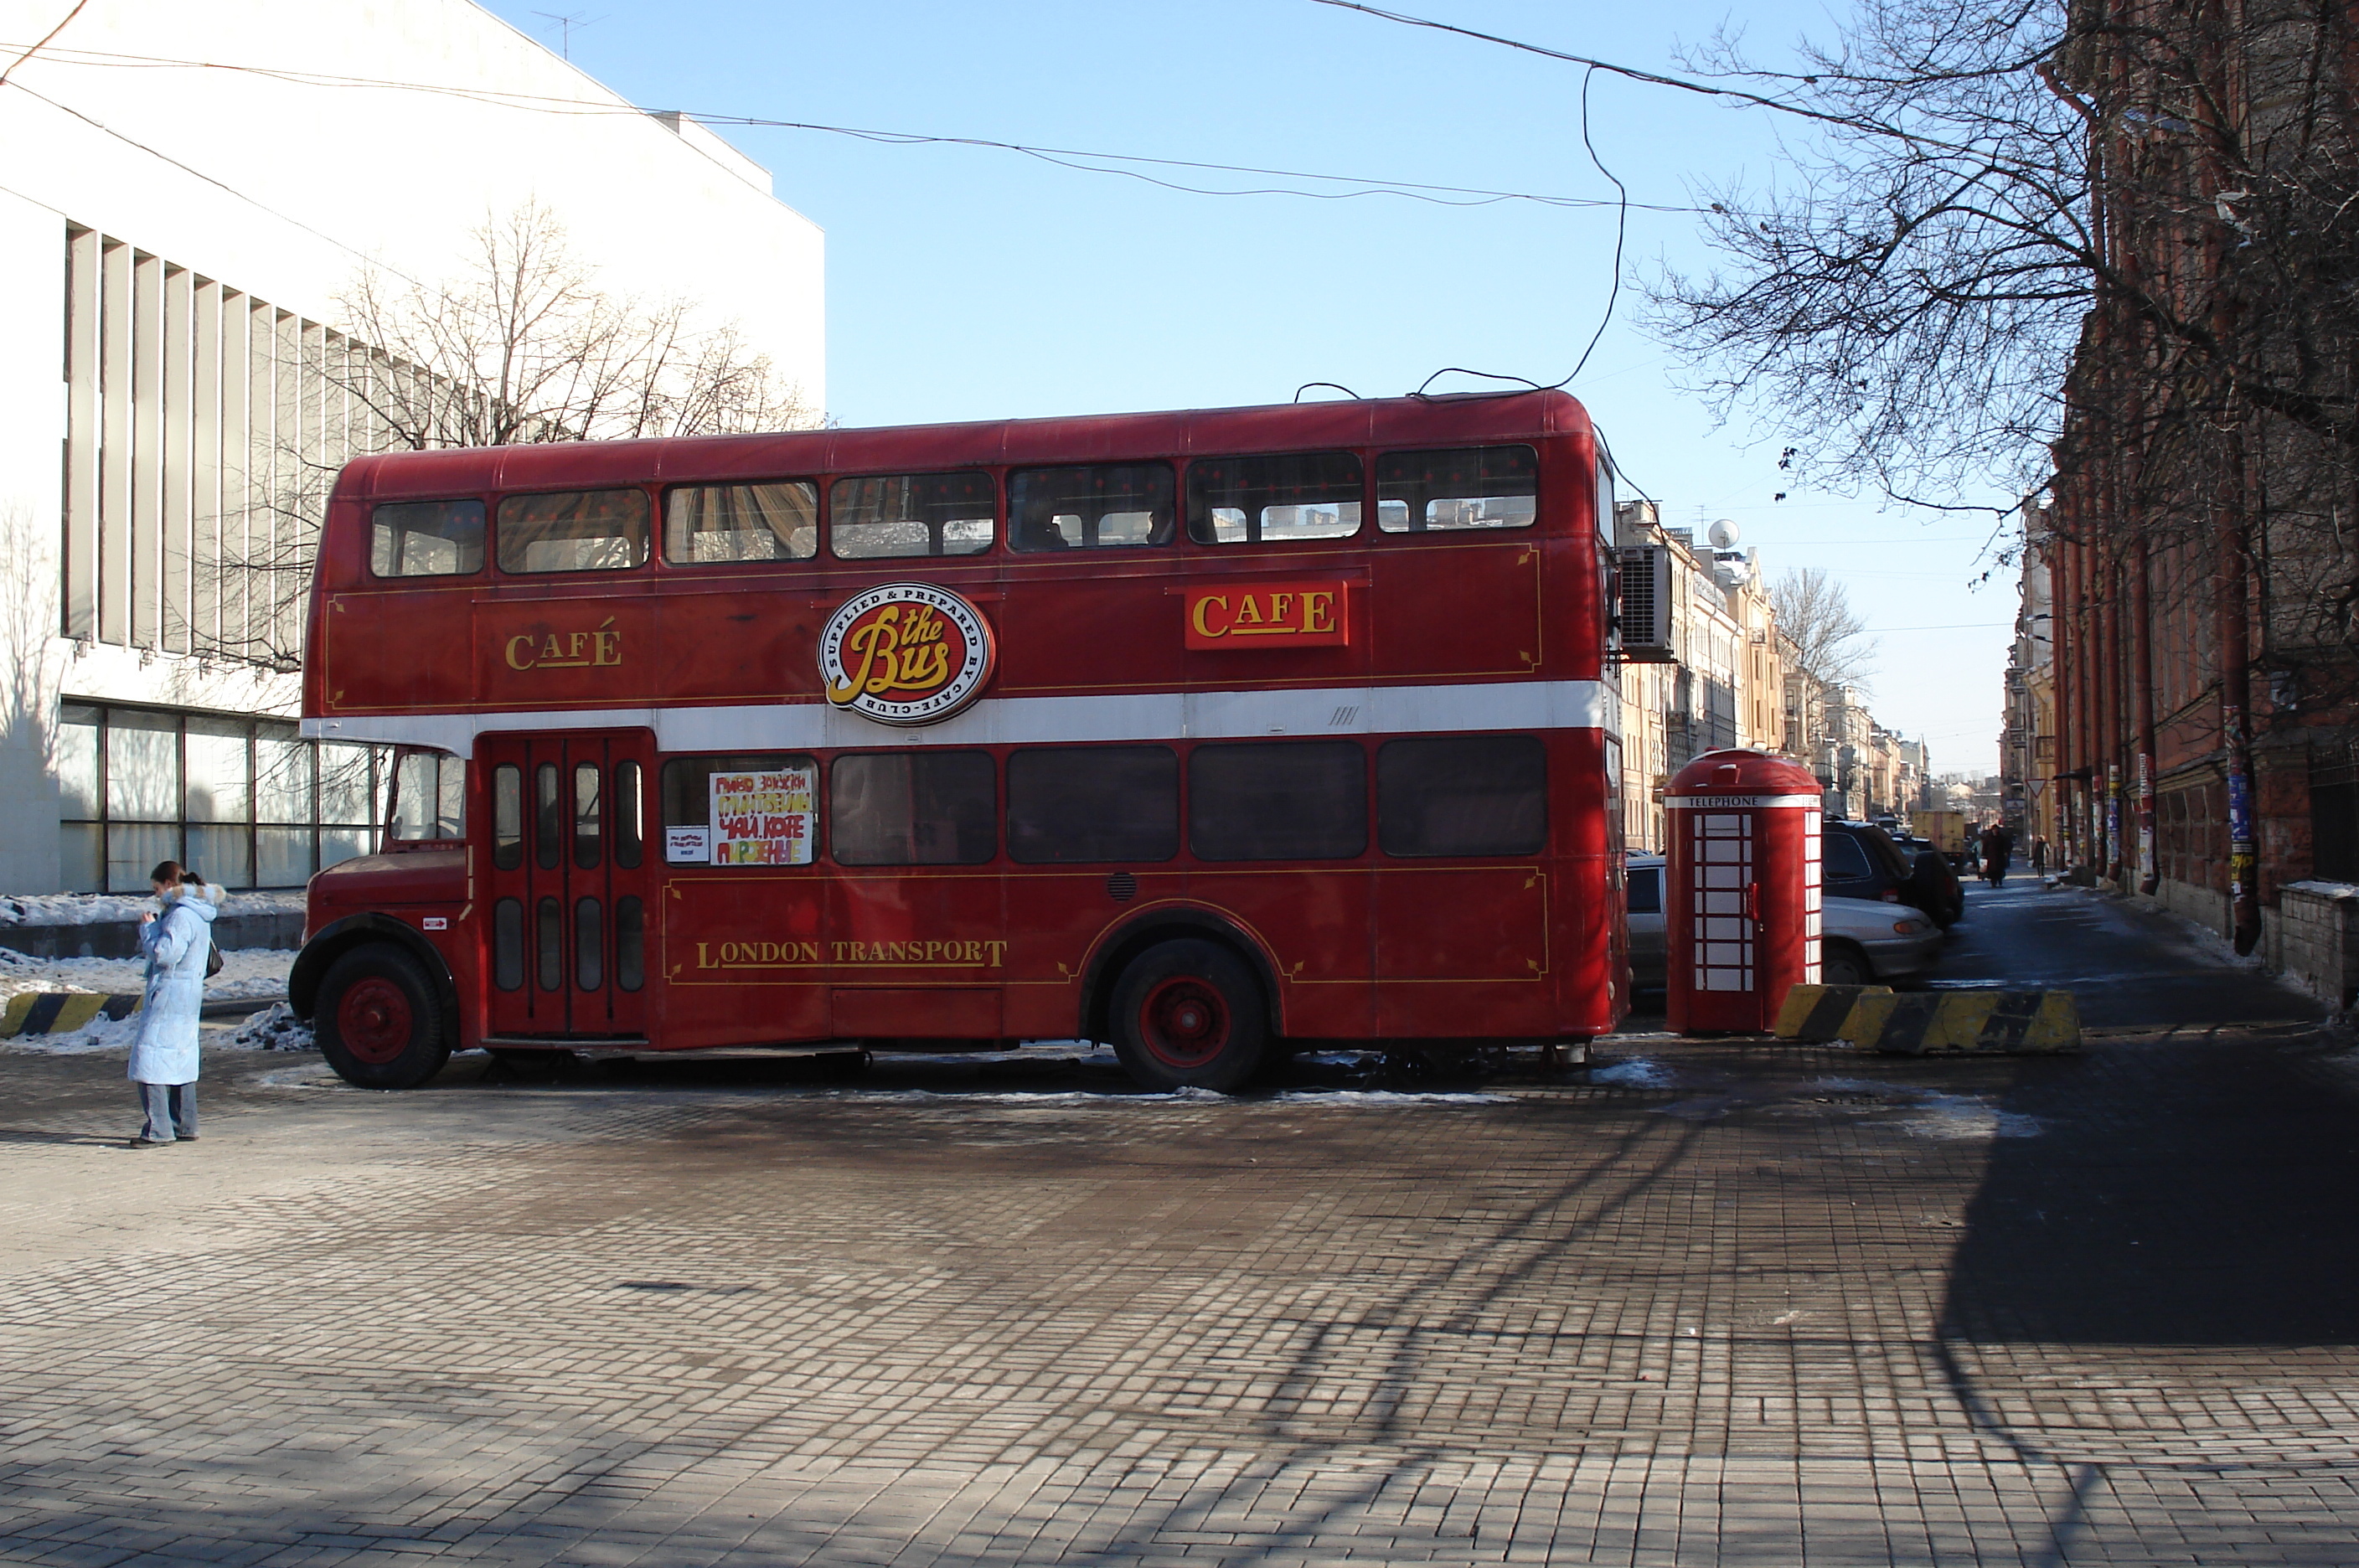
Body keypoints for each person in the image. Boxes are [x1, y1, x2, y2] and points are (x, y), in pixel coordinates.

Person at [126, 859, 219, 1149]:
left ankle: (159, 1129)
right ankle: (185, 1124)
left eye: (157, 889)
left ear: (169, 886)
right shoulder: (199, 913)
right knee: (180, 1059)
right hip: (187, 995)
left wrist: (149, 929)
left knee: (150, 1060)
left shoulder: (180, 915)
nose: (155, 896)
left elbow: (164, 954)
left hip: (169, 994)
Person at [1979, 822, 2016, 890]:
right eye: (1994, 830)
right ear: (1992, 830)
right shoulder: (1988, 838)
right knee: (1991, 871)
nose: (1995, 831)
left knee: (2000, 870)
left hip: (2000, 857)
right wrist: (1984, 855)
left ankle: (1999, 881)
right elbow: (1985, 847)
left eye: (1996, 829)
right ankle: (1993, 883)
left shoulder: (2002, 838)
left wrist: (2006, 852)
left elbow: (2008, 845)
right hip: (1991, 858)